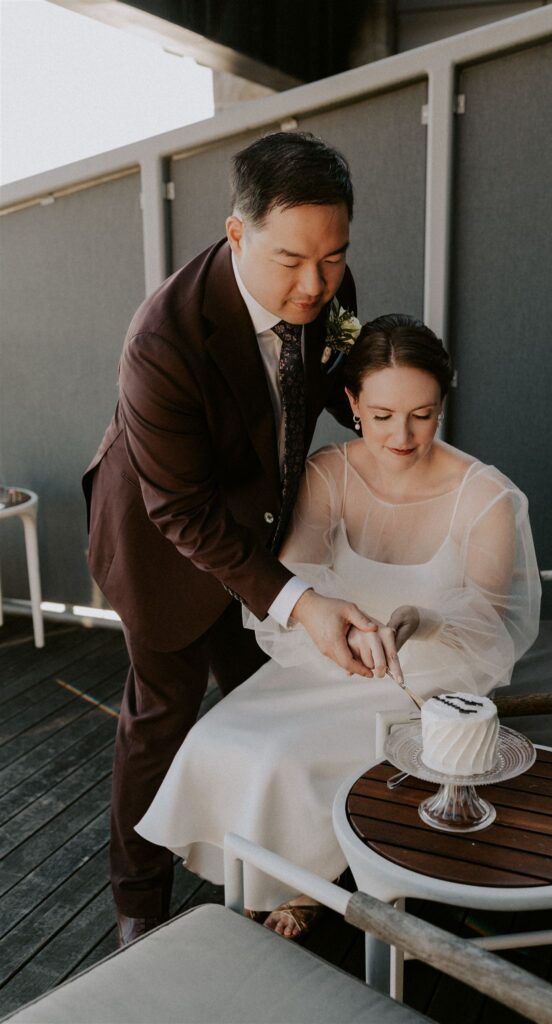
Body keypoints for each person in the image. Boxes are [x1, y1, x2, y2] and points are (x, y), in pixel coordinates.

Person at [136, 314, 542, 939]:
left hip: (426, 678)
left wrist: (422, 617)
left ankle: (296, 889)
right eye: (381, 416)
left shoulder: (485, 495)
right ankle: (269, 879)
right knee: (219, 735)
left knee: (285, 757)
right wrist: (346, 633)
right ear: (351, 401)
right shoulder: (330, 471)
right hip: (326, 658)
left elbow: (491, 627)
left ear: (443, 400)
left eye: (422, 414)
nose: (401, 436)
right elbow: (294, 582)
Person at [82, 132, 384, 946]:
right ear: (237, 233)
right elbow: (179, 509)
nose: (316, 283)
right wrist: (302, 603)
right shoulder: (161, 340)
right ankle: (137, 905)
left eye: (333, 256)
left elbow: (337, 373)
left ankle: (270, 878)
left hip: (260, 537)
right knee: (160, 721)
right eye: (291, 260)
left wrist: (391, 400)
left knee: (266, 710)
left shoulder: (328, 284)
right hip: (158, 544)